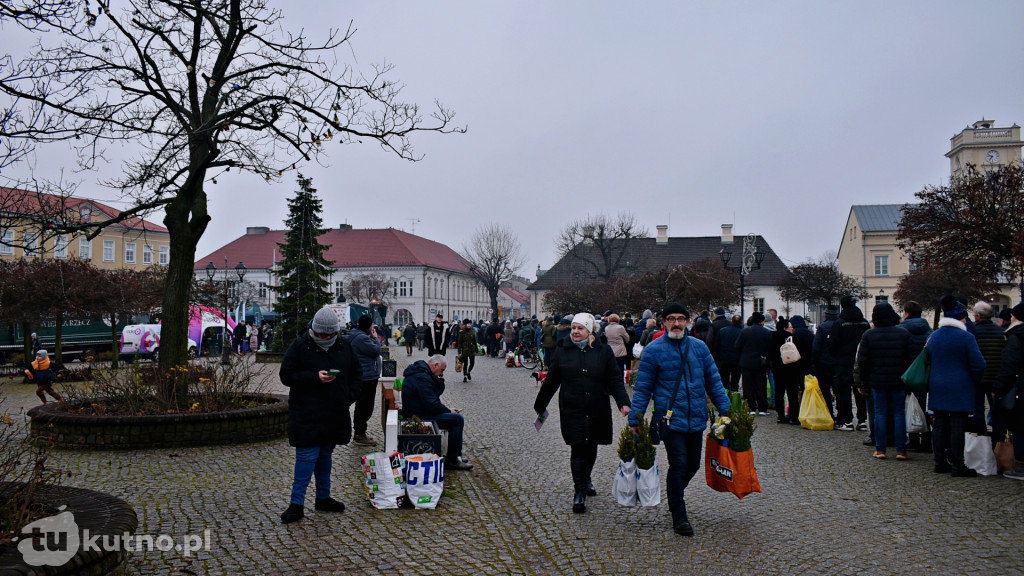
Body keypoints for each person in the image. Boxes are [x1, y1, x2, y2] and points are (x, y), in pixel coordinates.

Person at [629, 302, 731, 536]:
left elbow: (713, 381)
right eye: (671, 319)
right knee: (680, 464)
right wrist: (635, 419)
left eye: (681, 318)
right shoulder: (654, 350)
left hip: (695, 416)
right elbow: (643, 389)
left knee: (693, 464)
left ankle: (675, 493)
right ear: (663, 322)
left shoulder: (699, 348)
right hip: (669, 419)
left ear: (688, 320)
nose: (676, 323)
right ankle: (679, 515)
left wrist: (726, 410)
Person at [535, 313, 631, 514]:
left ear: (590, 331)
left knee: (591, 446)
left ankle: (586, 478)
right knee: (578, 447)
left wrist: (623, 402)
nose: (576, 332)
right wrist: (540, 405)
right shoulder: (563, 351)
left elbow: (614, 379)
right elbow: (552, 380)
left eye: (580, 328)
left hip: (597, 406)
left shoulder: (603, 351)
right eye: (573, 328)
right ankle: (579, 491)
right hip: (572, 407)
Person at [279, 306, 362, 524]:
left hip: (334, 411)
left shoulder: (344, 346)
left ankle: (323, 497)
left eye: (329, 334)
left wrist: (348, 397)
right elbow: (286, 375)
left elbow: (357, 374)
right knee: (306, 457)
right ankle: (296, 504)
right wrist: (314, 378)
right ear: (313, 330)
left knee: (325, 456)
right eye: (321, 334)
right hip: (307, 411)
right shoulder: (300, 345)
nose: (325, 338)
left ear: (336, 332)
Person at [927, 296, 986, 477]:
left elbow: (928, 359)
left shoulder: (933, 337)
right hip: (960, 384)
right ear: (961, 319)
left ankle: (939, 462)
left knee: (939, 424)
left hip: (937, 383)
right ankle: (958, 464)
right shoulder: (966, 337)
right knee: (957, 425)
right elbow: (979, 364)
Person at [855, 303, 913, 460]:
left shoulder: (869, 335)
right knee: (899, 413)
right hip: (898, 380)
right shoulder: (904, 334)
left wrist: (863, 383)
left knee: (879, 413)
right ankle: (901, 449)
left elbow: (863, 362)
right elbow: (910, 360)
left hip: (877, 380)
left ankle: (880, 448)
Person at [400, 355, 474, 470]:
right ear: (435, 365)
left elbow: (431, 400)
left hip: (418, 412)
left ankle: (456, 454)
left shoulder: (421, 373)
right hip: (418, 416)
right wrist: (448, 410)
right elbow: (431, 403)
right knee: (457, 420)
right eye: (442, 370)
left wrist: (447, 410)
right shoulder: (422, 377)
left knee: (454, 418)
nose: (442, 374)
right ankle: (453, 458)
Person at [828, 296, 870, 431]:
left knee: (843, 392)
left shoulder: (840, 323)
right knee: (860, 391)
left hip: (842, 362)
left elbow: (832, 344)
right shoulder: (864, 323)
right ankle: (862, 420)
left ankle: (847, 420)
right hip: (860, 361)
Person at [993, 302, 1024, 480]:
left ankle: (1020, 466)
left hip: (1020, 387)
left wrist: (999, 387)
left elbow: (1009, 366)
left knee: (1019, 427)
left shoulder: (1015, 337)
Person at [899, 301, 933, 451]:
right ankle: (926, 440)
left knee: (909, 407)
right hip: (924, 374)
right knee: (924, 407)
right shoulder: (929, 331)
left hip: (906, 374)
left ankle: (913, 439)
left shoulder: (900, 330)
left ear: (906, 313)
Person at [347, 315, 382, 447]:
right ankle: (360, 434)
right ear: (368, 326)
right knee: (365, 406)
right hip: (366, 376)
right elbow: (376, 351)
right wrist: (375, 338)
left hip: (364, 375)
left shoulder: (356, 335)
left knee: (362, 405)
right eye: (372, 325)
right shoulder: (361, 338)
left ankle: (359, 431)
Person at [971, 301, 1004, 436]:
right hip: (996, 377)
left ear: (978, 316)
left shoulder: (973, 333)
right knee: (997, 409)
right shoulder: (1001, 332)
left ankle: (981, 437)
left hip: (978, 377)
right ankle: (998, 438)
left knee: (978, 408)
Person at [736, 311, 771, 414]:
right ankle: (762, 408)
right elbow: (769, 348)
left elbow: (737, 346)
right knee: (761, 385)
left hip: (746, 362)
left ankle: (750, 407)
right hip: (760, 363)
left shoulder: (744, 332)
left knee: (747, 386)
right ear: (762, 322)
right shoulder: (766, 332)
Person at [715, 315, 743, 392]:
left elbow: (716, 344)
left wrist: (719, 356)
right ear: (741, 322)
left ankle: (725, 397)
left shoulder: (723, 331)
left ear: (732, 321)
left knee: (724, 381)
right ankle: (735, 398)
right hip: (737, 360)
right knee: (735, 381)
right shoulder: (742, 332)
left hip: (725, 359)